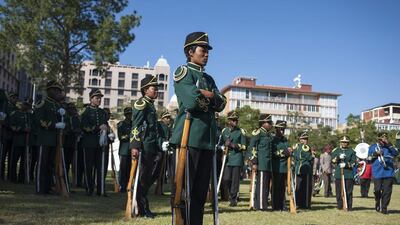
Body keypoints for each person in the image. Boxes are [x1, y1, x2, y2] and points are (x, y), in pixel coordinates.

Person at [169, 31, 226, 225]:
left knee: (201, 193)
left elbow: (222, 103)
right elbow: (192, 102)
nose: (207, 54)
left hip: (207, 141)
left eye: (208, 51)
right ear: (190, 52)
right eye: (203, 50)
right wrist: (209, 98)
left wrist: (207, 95)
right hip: (188, 138)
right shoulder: (183, 72)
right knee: (184, 191)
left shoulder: (209, 79)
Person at [130, 74, 161, 218]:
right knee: (142, 178)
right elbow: (136, 126)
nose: (156, 91)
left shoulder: (150, 104)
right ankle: (142, 208)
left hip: (152, 146)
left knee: (151, 175)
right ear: (145, 90)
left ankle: (141, 201)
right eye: (153, 88)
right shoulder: (141, 103)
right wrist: (135, 146)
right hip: (144, 146)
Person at [33, 81, 65, 195]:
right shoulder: (43, 103)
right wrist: (53, 125)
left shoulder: (57, 105)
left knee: (50, 165)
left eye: (58, 90)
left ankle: (47, 188)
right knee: (42, 164)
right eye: (54, 90)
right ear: (48, 90)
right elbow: (39, 119)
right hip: (44, 138)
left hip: (54, 139)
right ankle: (39, 188)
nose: (57, 92)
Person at [80, 88, 108, 196]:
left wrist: (108, 130)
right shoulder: (86, 111)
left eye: (100, 98)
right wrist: (97, 128)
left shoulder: (102, 112)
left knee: (100, 167)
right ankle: (89, 188)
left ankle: (100, 189)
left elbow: (105, 124)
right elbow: (84, 127)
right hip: (89, 142)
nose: (99, 100)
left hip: (101, 143)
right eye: (97, 98)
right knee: (89, 167)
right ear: (91, 99)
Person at [220, 111, 246, 207]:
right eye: (233, 120)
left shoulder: (241, 131)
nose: (235, 122)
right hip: (227, 159)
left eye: (236, 120)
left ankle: (233, 199)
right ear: (229, 121)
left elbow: (244, 146)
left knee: (235, 180)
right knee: (226, 179)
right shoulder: (224, 131)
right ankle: (232, 194)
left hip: (237, 158)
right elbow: (220, 144)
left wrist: (233, 145)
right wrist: (223, 149)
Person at [368, 132, 399, 214]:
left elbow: (396, 153)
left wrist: (389, 144)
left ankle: (384, 208)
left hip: (388, 172)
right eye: (382, 139)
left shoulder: (390, 146)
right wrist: (375, 154)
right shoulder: (373, 147)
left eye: (385, 139)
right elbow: (368, 158)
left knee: (387, 191)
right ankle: (377, 200)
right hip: (377, 172)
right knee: (377, 190)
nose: (384, 141)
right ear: (378, 139)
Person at [249, 114, 274, 211]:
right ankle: (261, 205)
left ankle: (263, 204)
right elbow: (252, 147)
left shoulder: (269, 134)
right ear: (263, 123)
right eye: (269, 123)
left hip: (268, 164)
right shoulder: (258, 133)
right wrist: (254, 162)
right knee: (262, 185)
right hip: (261, 163)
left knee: (266, 186)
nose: (271, 125)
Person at [9, 101, 32, 183]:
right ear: (21, 105)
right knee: (14, 160)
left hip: (27, 142)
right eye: (24, 105)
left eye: (27, 105)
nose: (25, 107)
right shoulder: (15, 114)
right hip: (18, 140)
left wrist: (30, 130)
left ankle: (22, 178)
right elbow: (12, 126)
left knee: (24, 161)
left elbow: (33, 126)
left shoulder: (30, 115)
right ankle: (13, 178)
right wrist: (22, 129)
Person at [331, 135, 356, 211]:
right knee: (339, 191)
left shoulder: (352, 151)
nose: (344, 143)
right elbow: (333, 161)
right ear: (340, 142)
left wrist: (346, 165)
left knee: (348, 191)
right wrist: (338, 157)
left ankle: (348, 205)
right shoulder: (336, 150)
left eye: (346, 142)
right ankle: (340, 205)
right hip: (339, 174)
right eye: (343, 142)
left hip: (348, 174)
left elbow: (353, 163)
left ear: (348, 143)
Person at [292, 131, 315, 209]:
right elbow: (309, 158)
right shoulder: (306, 147)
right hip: (306, 169)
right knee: (306, 188)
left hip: (298, 169)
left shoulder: (296, 146)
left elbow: (294, 156)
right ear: (300, 139)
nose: (305, 140)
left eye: (306, 139)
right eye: (304, 139)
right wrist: (312, 155)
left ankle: (298, 203)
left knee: (298, 187)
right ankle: (305, 204)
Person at [271, 120, 290, 211]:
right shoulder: (273, 140)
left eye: (283, 129)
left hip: (284, 167)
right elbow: (273, 153)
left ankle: (282, 205)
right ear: (276, 129)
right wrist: (283, 152)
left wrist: (290, 151)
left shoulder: (285, 140)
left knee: (283, 188)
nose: (282, 131)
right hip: (276, 167)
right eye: (280, 129)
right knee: (275, 187)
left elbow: (288, 151)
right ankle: (275, 205)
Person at [0, 92, 18, 180]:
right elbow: (2, 121)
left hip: (13, 136)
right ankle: (1, 174)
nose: (15, 99)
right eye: (13, 97)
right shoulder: (5, 107)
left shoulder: (17, 109)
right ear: (10, 98)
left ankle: (10, 175)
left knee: (12, 157)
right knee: (2, 156)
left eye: (16, 98)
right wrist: (9, 126)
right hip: (5, 135)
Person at [117, 107, 132, 193]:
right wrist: (129, 136)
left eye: (130, 114)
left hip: (131, 150)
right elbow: (121, 137)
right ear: (125, 115)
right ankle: (122, 185)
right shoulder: (121, 124)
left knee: (130, 169)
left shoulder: (133, 124)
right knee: (123, 169)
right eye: (128, 114)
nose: (129, 115)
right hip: (124, 150)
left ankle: (128, 185)